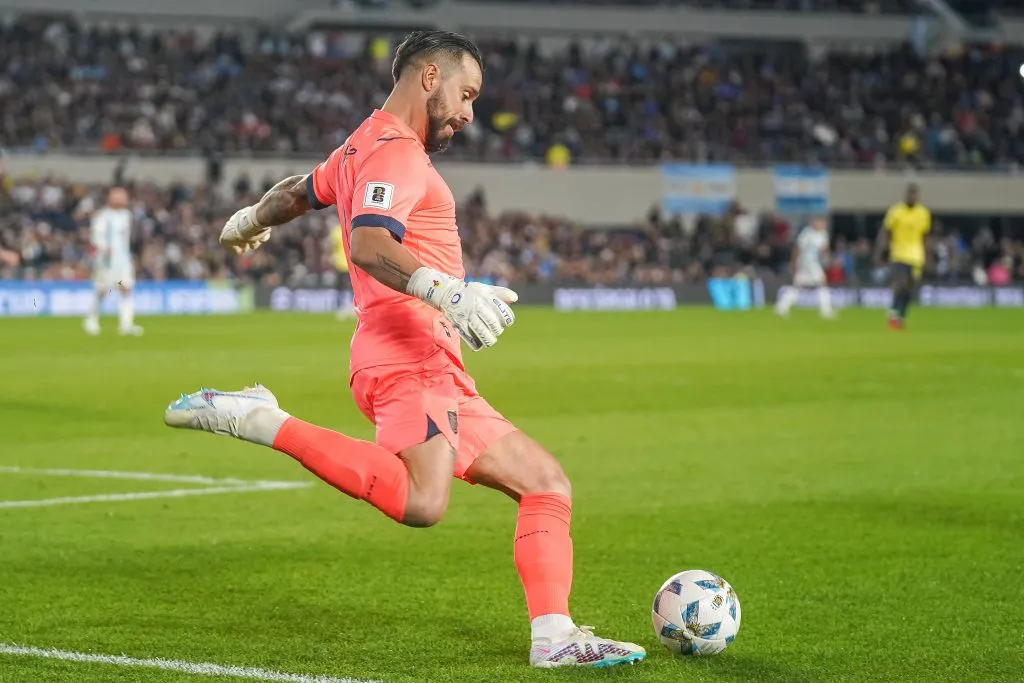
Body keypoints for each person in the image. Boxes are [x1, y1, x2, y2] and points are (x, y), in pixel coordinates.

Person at [164, 30, 645, 670]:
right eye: (466, 94)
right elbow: (368, 245)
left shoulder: (360, 145)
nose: (469, 113)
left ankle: (554, 636)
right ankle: (260, 419)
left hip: (431, 360)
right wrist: (448, 292)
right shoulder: (396, 153)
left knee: (545, 484)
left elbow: (299, 191)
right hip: (406, 351)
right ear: (429, 77)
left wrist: (251, 219)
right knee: (423, 501)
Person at [84, 186, 143, 336]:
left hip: (122, 261)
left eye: (124, 196)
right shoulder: (103, 216)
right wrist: (104, 248)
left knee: (125, 288)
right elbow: (96, 236)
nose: (123, 199)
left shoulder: (126, 215)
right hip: (106, 261)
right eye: (119, 196)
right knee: (102, 290)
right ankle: (91, 319)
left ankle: (126, 325)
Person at [875, 183, 931, 330]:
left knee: (910, 288)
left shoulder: (923, 213)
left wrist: (928, 256)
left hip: (916, 256)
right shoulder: (896, 211)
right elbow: (886, 231)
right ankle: (893, 313)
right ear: (906, 195)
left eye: (916, 195)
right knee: (901, 284)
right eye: (911, 194)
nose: (913, 197)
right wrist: (882, 251)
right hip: (899, 254)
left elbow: (925, 236)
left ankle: (901, 316)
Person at [775, 215, 835, 319]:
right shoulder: (806, 234)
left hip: (814, 262)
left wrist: (827, 256)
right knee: (822, 283)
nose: (822, 225)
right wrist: (793, 263)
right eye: (820, 222)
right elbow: (798, 249)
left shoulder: (823, 234)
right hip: (805, 263)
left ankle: (781, 307)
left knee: (798, 285)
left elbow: (823, 249)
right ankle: (826, 310)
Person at [330, 220, 356, 320]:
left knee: (341, 286)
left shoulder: (336, 230)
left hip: (342, 262)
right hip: (347, 262)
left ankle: (343, 307)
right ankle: (348, 307)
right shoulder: (351, 228)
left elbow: (332, 247)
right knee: (349, 287)